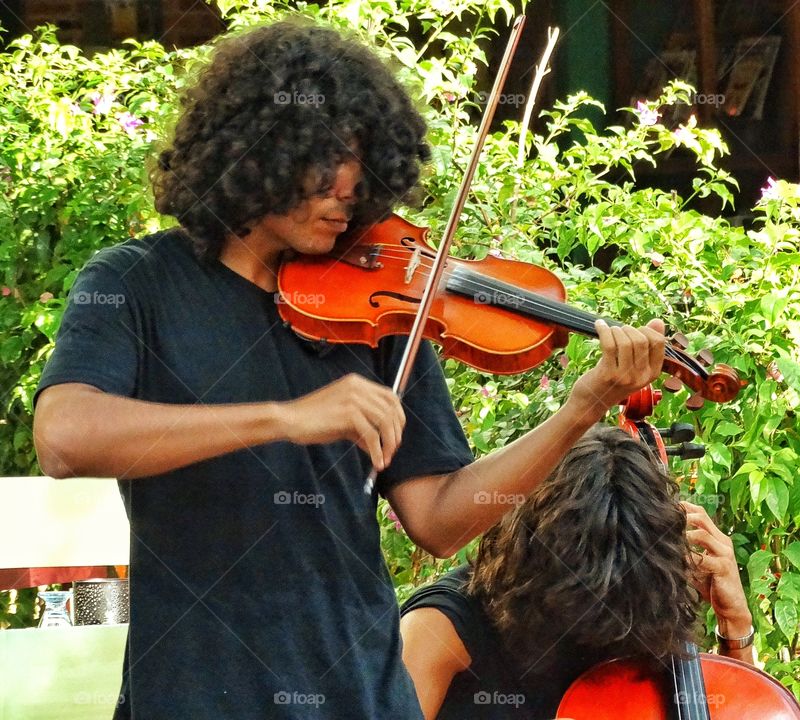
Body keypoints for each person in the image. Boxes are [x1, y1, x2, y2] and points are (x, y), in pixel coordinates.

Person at [31, 18, 667, 720]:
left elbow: (438, 519)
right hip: (197, 690)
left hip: (361, 694)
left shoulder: (381, 300)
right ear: (261, 148)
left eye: (365, 162)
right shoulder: (136, 283)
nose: (351, 187)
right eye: (331, 160)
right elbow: (64, 437)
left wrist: (579, 410)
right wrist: (285, 418)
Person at [399, 424, 754, 720]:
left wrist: (735, 624)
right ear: (532, 561)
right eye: (587, 596)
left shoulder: (644, 606)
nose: (607, 626)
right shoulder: (440, 628)